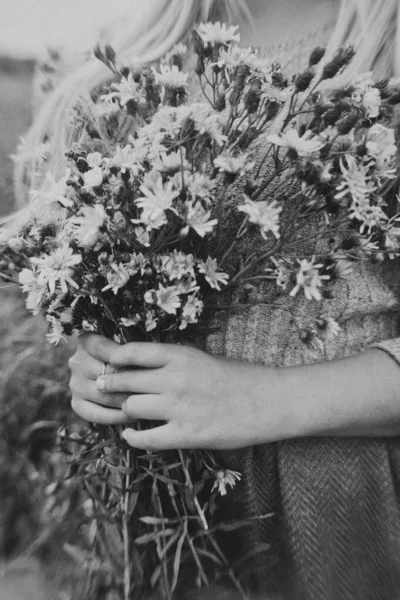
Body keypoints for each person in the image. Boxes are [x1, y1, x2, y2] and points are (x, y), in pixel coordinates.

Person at [15, 0, 400, 598]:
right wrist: (101, 357)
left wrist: (268, 397)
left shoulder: (386, 50)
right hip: (154, 492)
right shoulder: (126, 61)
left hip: (342, 501)